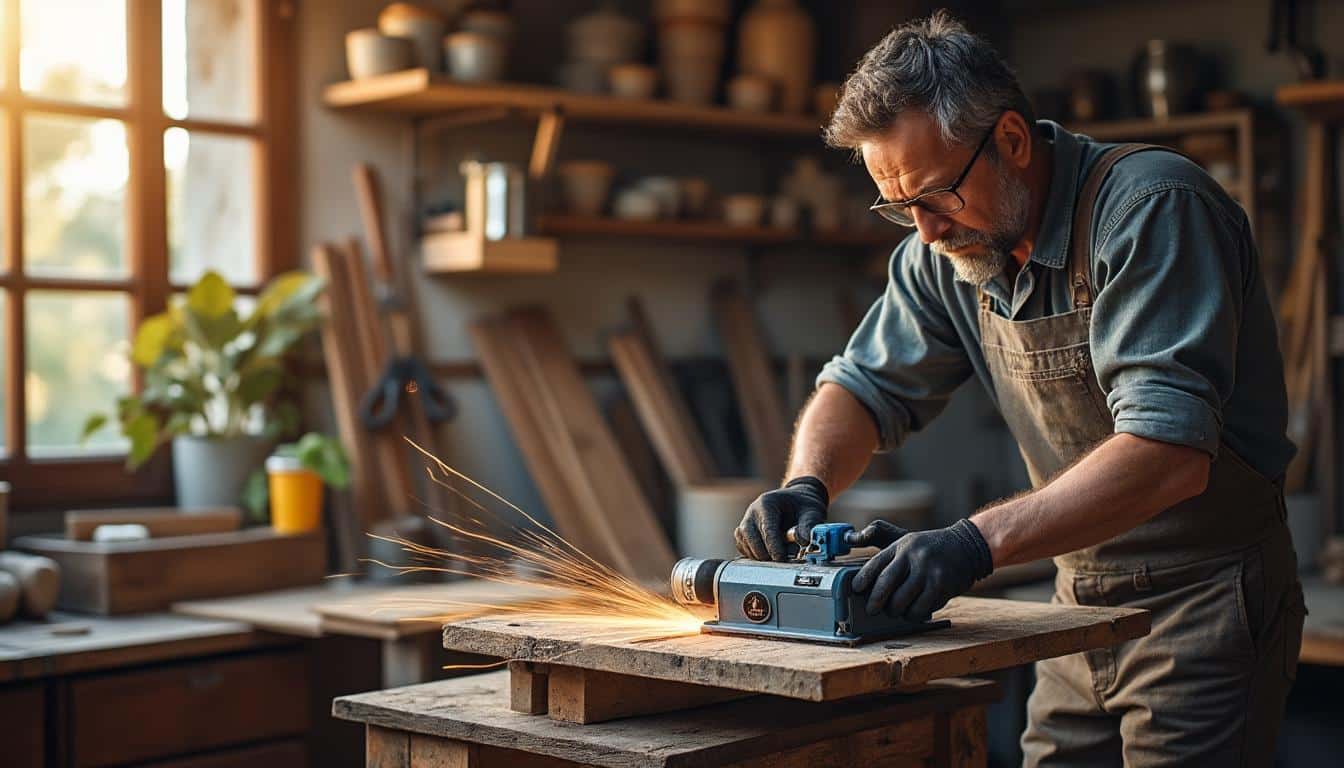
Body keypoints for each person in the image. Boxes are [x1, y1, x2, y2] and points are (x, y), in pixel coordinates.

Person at [734, 12, 1305, 765]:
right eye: (898, 207)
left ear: (1010, 140)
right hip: (1075, 598)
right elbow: (861, 386)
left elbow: (1169, 452)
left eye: (935, 197)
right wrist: (806, 484)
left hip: (1205, 598)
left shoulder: (1152, 210)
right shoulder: (945, 253)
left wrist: (972, 545)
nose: (925, 231)